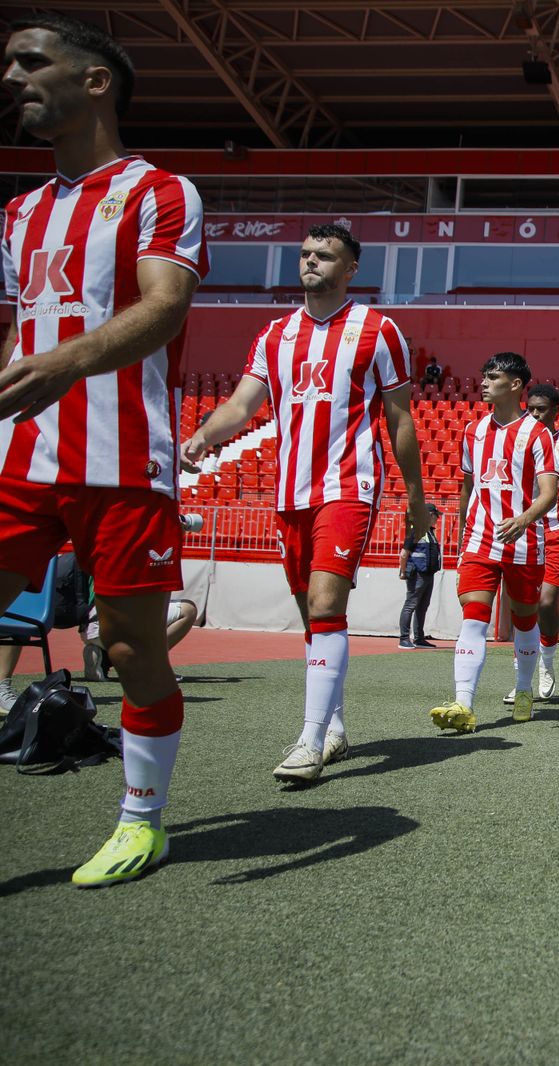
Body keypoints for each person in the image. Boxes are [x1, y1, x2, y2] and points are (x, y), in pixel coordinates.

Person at [0, 14, 206, 887]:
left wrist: (67, 361)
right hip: (21, 457)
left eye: (30, 61)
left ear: (95, 82)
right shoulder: (18, 213)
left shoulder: (161, 192)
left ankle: (141, 822)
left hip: (123, 459)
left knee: (128, 649)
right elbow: (17, 332)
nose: (12, 76)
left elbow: (164, 306)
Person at [183, 222, 430, 783]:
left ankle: (310, 741)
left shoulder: (379, 330)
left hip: (349, 486)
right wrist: (204, 435)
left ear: (351, 269)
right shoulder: (274, 335)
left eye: (325, 255)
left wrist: (416, 498)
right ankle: (335, 727)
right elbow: (241, 406)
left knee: (323, 604)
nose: (311, 262)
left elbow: (400, 419)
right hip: (290, 493)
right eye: (305, 253)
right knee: (312, 616)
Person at [429, 353, 557, 731]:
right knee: (473, 616)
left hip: (523, 540)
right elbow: (468, 487)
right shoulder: (473, 431)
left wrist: (523, 519)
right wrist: (462, 533)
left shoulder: (537, 434)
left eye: (493, 377)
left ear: (515, 385)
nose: (484, 383)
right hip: (480, 539)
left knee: (524, 620)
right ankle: (463, 703)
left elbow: (549, 492)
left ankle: (524, 688)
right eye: (484, 376)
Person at [512, 382, 559, 703]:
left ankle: (547, 661)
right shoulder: (516, 441)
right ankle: (522, 678)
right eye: (529, 409)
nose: (534, 414)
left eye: (541, 409)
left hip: (556, 534)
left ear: (556, 410)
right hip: (522, 532)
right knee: (522, 604)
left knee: (545, 602)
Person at [398, 504, 443, 649]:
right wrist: (403, 572)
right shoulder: (415, 531)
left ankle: (419, 638)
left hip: (428, 574)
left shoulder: (429, 532)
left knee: (422, 606)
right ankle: (404, 639)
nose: (437, 519)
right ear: (430, 515)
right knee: (410, 605)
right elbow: (404, 554)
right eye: (436, 516)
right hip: (417, 574)